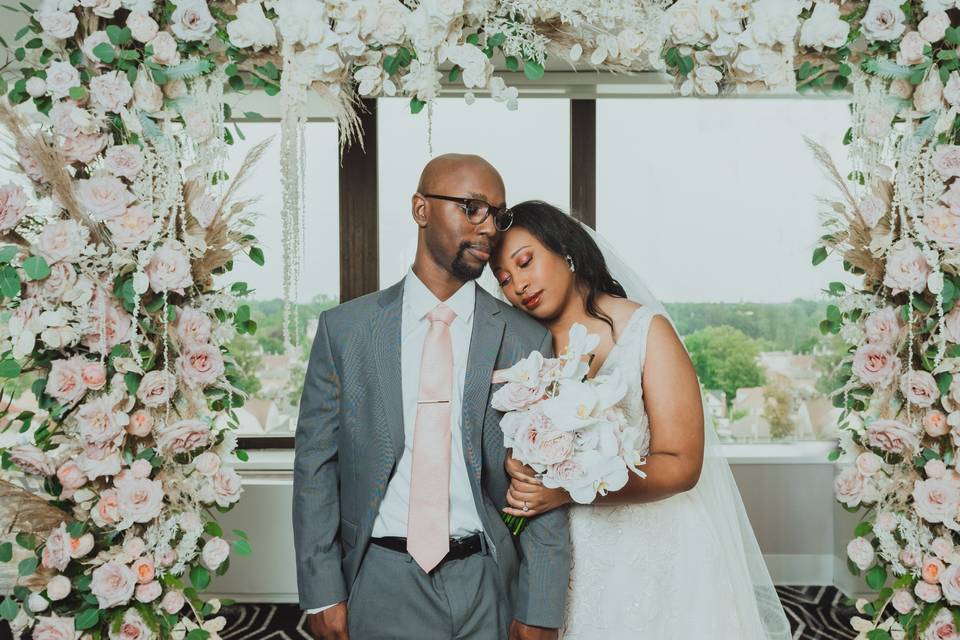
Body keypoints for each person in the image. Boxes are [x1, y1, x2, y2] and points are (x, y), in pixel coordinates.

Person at [293, 158, 571, 640]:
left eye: (497, 215)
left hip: (488, 579)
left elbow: (542, 477)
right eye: (472, 208)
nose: (488, 228)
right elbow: (317, 467)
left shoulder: (525, 339)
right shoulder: (345, 331)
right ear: (421, 209)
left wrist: (540, 606)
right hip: (380, 577)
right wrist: (321, 590)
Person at [489, 200, 792, 639]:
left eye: (525, 262)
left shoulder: (646, 331)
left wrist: (566, 490)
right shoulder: (521, 346)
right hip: (562, 554)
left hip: (653, 548)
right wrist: (517, 464)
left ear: (565, 250)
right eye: (505, 279)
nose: (519, 284)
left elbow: (683, 463)